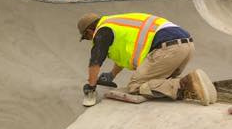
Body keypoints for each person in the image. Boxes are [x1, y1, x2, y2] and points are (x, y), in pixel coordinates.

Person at [76, 12, 217, 107]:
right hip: (187, 45)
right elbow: (125, 54)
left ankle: (187, 83)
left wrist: (91, 87)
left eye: (88, 37)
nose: (91, 40)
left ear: (89, 31)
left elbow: (95, 61)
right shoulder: (117, 23)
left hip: (167, 49)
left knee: (136, 86)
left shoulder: (102, 31)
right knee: (160, 84)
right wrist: (112, 75)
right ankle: (195, 85)